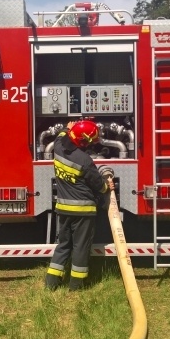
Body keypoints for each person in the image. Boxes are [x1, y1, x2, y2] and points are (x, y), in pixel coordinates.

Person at [45, 120, 114, 291]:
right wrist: (108, 186)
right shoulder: (84, 160)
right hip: (83, 212)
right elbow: (99, 185)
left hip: (63, 210)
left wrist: (66, 128)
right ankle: (76, 286)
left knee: (63, 245)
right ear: (84, 142)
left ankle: (51, 282)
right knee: (80, 248)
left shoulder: (58, 148)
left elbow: (60, 136)